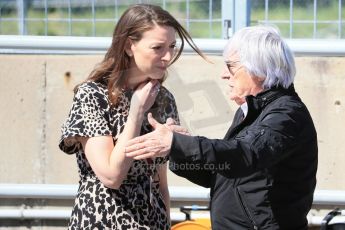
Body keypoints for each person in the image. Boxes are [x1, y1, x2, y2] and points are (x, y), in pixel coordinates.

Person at [125, 25, 318, 230]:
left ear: (259, 71)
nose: (224, 75)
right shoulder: (252, 111)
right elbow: (224, 173)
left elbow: (246, 154)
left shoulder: (286, 115)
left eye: (231, 66)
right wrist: (178, 149)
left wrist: (177, 143)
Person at [58, 4, 207, 229]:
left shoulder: (164, 99)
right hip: (103, 221)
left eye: (172, 46)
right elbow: (111, 176)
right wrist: (136, 111)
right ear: (129, 46)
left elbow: (161, 184)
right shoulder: (92, 95)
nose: (167, 57)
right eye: (157, 47)